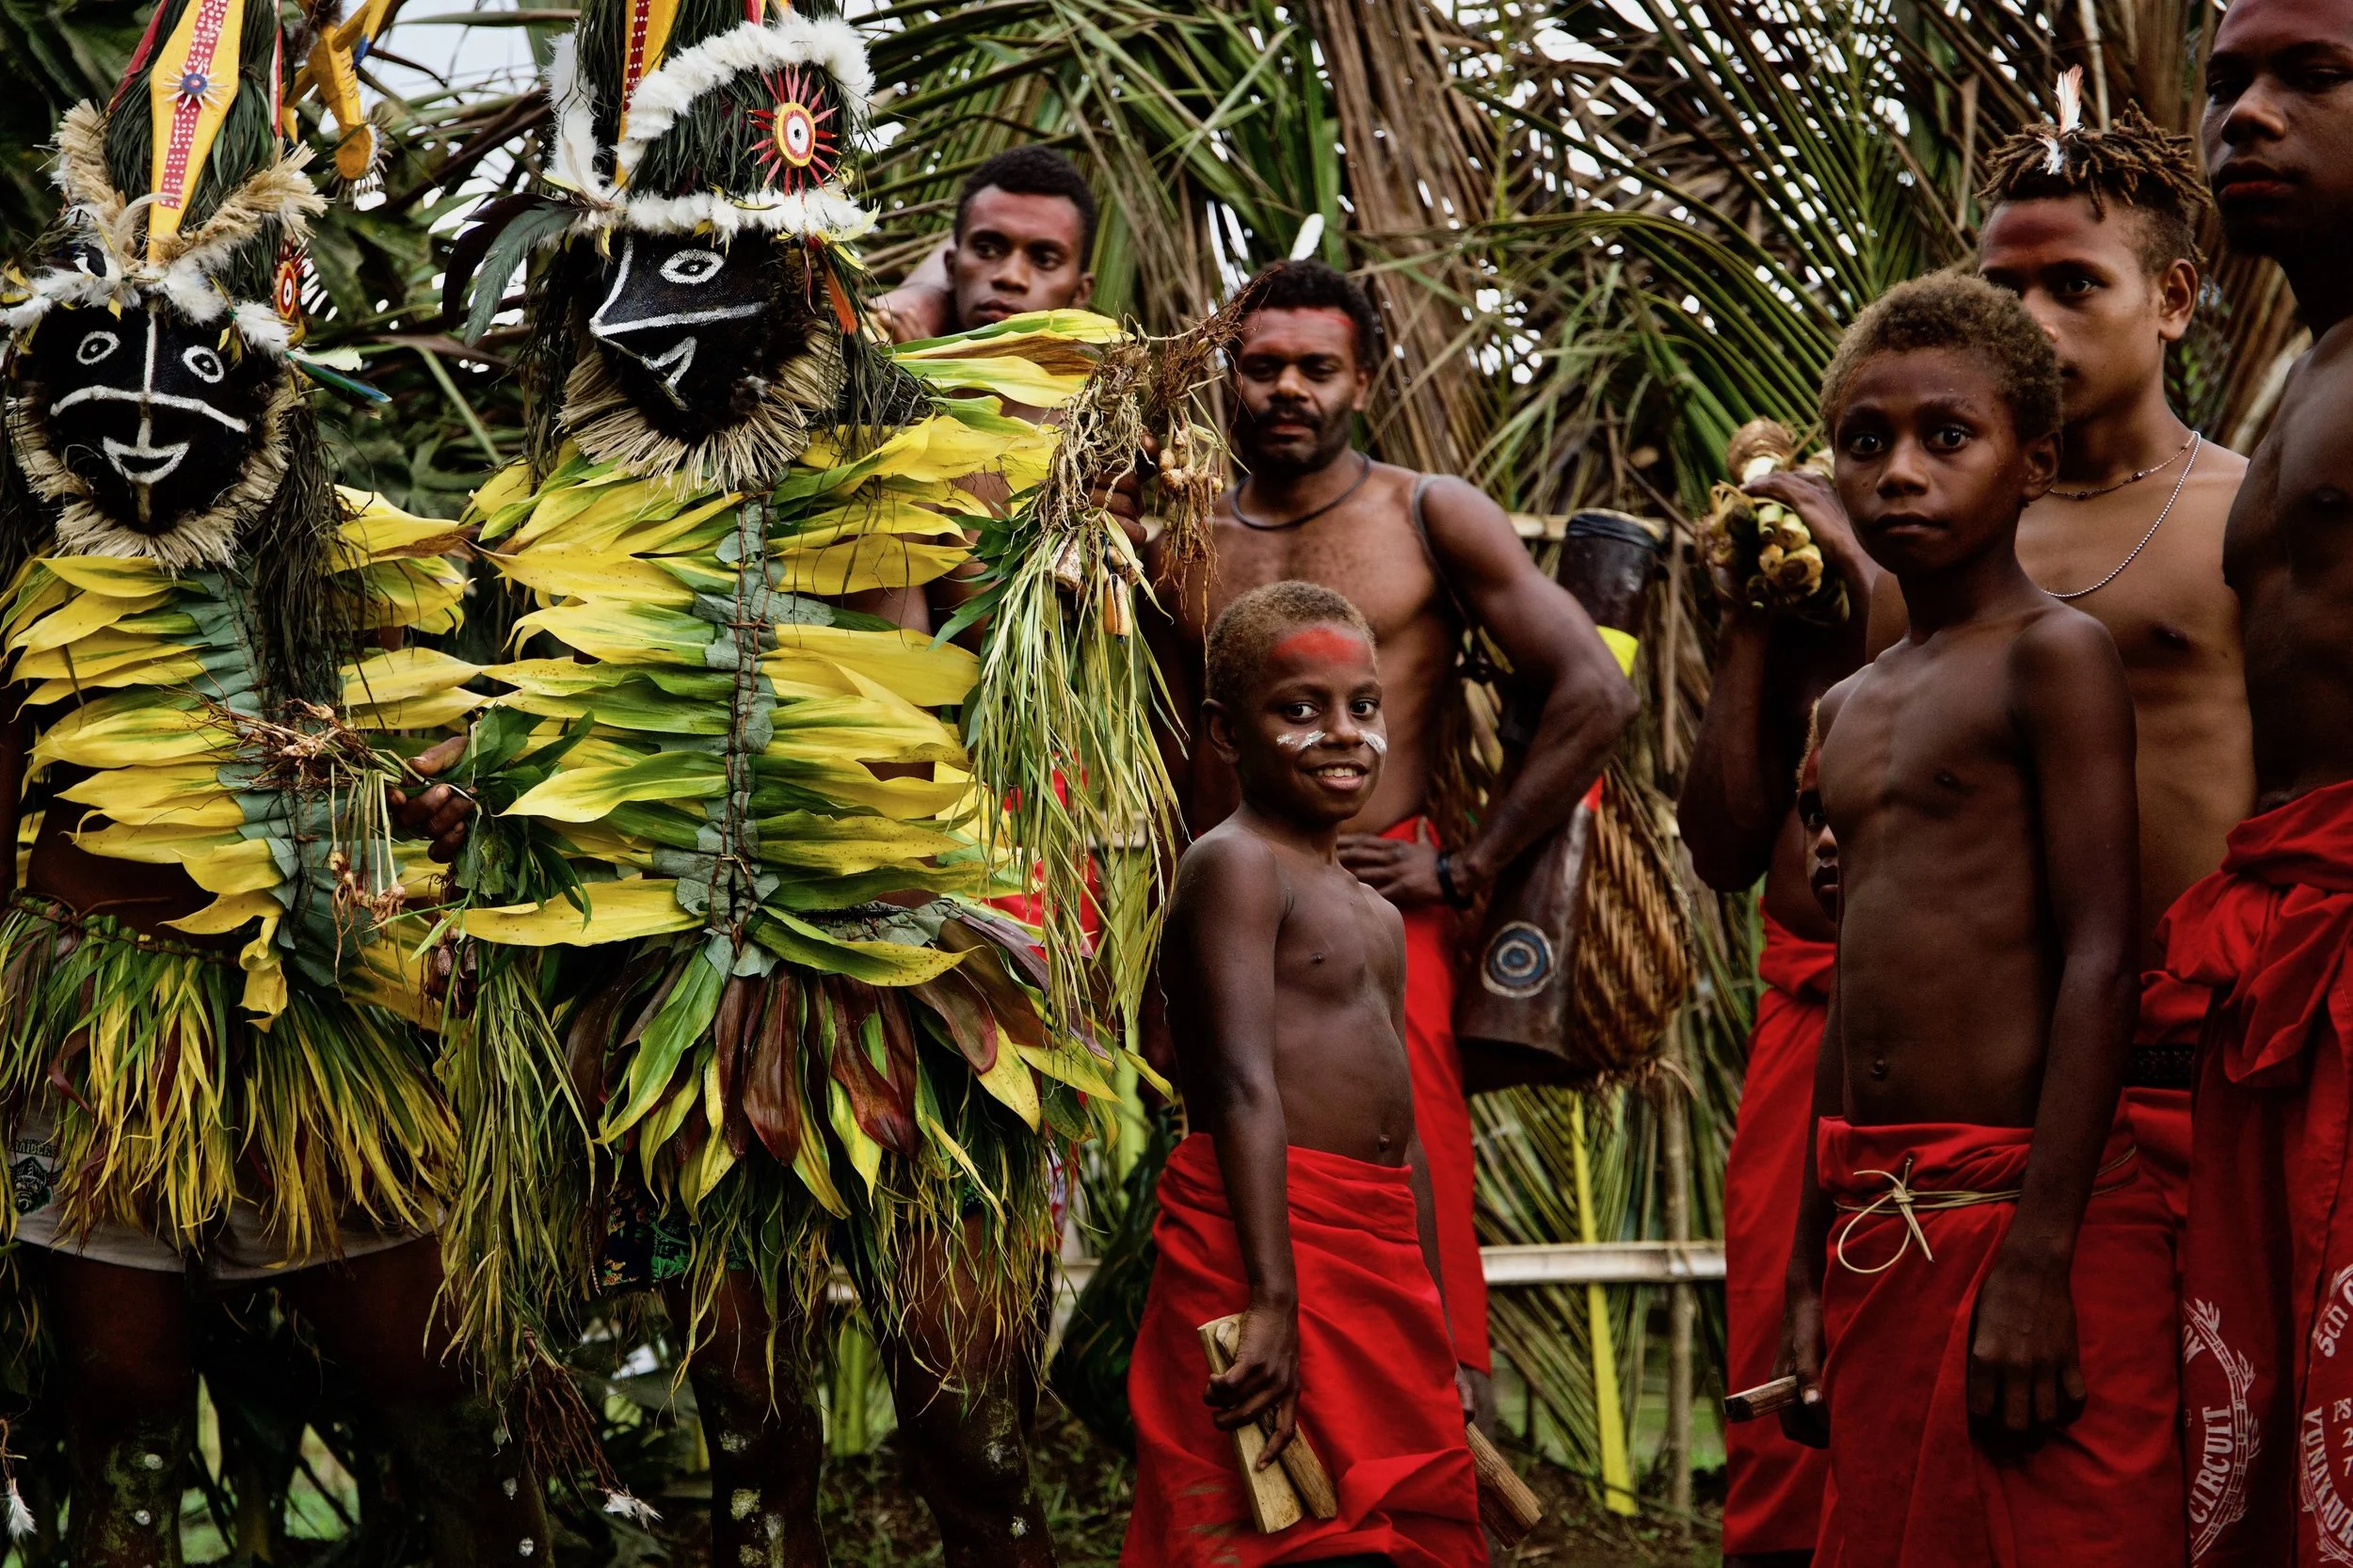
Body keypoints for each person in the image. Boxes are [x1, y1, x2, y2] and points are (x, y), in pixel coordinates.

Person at [0, 5, 541, 1558]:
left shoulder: (366, 553)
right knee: (119, 1393)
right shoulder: (27, 552)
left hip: (328, 1005)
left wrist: (443, 809)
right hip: (98, 1007)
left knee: (420, 1375)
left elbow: (441, 759)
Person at [1144, 259, 1635, 1421]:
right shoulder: (1177, 532)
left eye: (1317, 367)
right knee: (1228, 1160)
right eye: (1260, 366)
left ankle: (1428, 1431)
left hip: (1380, 901)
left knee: (1407, 1169)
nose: (1286, 390)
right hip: (1225, 908)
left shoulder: (1426, 513)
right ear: (1228, 372)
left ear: (1366, 375)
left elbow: (1593, 695)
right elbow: (1171, 734)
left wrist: (1467, 867)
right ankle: (1266, 1444)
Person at [1778, 273, 2185, 1566]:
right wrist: (1806, 1270)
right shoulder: (1847, 708)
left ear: (2033, 463)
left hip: (2027, 1205)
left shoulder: (2051, 657)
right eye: (1863, 440)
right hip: (1881, 1209)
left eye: (1945, 436)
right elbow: (1851, 980)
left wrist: (2040, 1255)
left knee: (2065, 1527)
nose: (1898, 471)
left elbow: (2103, 951)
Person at [1889, 95, 2251, 1240]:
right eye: (1999, 291)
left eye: (2073, 285)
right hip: (2000, 1081)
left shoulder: (2249, 514)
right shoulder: (1941, 543)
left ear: (2174, 302)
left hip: (2218, 1056)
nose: (2027, 321)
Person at [1124, 580, 1484, 1568]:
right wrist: (1273, 1301)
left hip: (1374, 1255)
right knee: (1269, 1527)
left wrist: (1435, 1322)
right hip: (1262, 1243)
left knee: (1397, 1517)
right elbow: (1240, 1086)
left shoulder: (1370, 906)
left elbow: (1401, 1129)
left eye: (1360, 706)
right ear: (1225, 731)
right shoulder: (1234, 865)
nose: (1340, 732)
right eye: (1298, 708)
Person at [2152, 1, 2353, 1557]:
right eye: (2226, 84)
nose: (2250, 116)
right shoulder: (2303, 377)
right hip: (2283, 947)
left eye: (2311, 77)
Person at [1679, 352, 1878, 1568]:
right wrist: (1752, 612)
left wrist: (1860, 568)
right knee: (1776, 1349)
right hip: (1805, 1013)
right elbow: (1719, 844)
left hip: (1956, 1025)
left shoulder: (1985, 602)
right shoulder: (1799, 607)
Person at [870, 147, 1097, 344]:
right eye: (987, 250)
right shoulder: (897, 322)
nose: (1010, 277)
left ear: (1079, 293)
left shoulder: (1099, 390)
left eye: (1044, 260)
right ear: (950, 268)